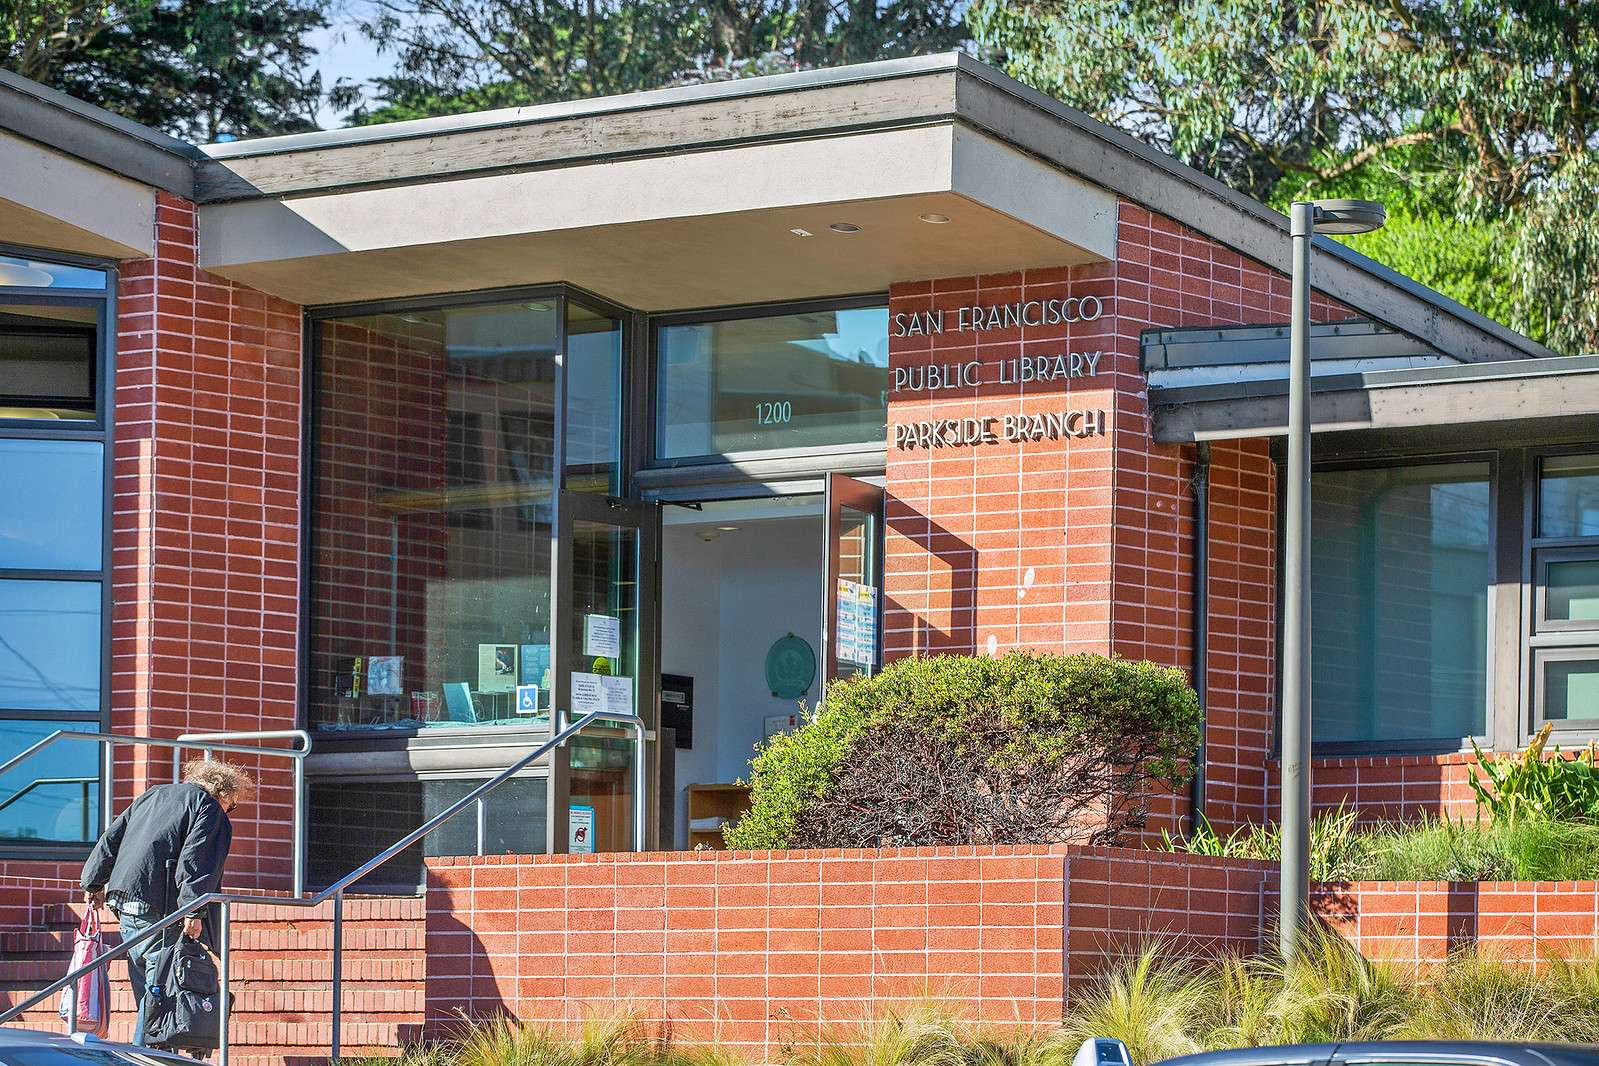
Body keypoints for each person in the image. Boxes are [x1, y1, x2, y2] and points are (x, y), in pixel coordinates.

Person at [80, 759, 253, 1046]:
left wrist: (93, 882)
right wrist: (194, 911)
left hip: (126, 900)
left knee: (149, 991)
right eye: (232, 805)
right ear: (223, 793)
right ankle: (144, 1056)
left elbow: (112, 838)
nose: (229, 810)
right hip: (160, 907)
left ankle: (154, 1051)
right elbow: (197, 862)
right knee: (158, 997)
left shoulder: (154, 795)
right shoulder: (208, 807)